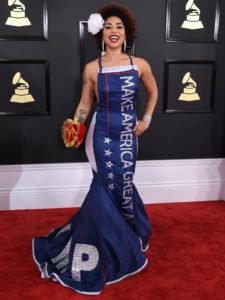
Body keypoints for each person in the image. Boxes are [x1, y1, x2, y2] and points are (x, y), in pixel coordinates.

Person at [32, 3, 158, 295]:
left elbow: (153, 92)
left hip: (128, 135)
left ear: (126, 33)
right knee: (104, 184)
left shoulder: (140, 64)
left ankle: (128, 233)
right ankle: (109, 240)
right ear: (101, 33)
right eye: (109, 27)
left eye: (119, 27)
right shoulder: (92, 68)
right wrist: (75, 123)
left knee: (124, 184)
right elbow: (85, 105)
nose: (114, 31)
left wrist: (147, 118)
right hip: (100, 134)